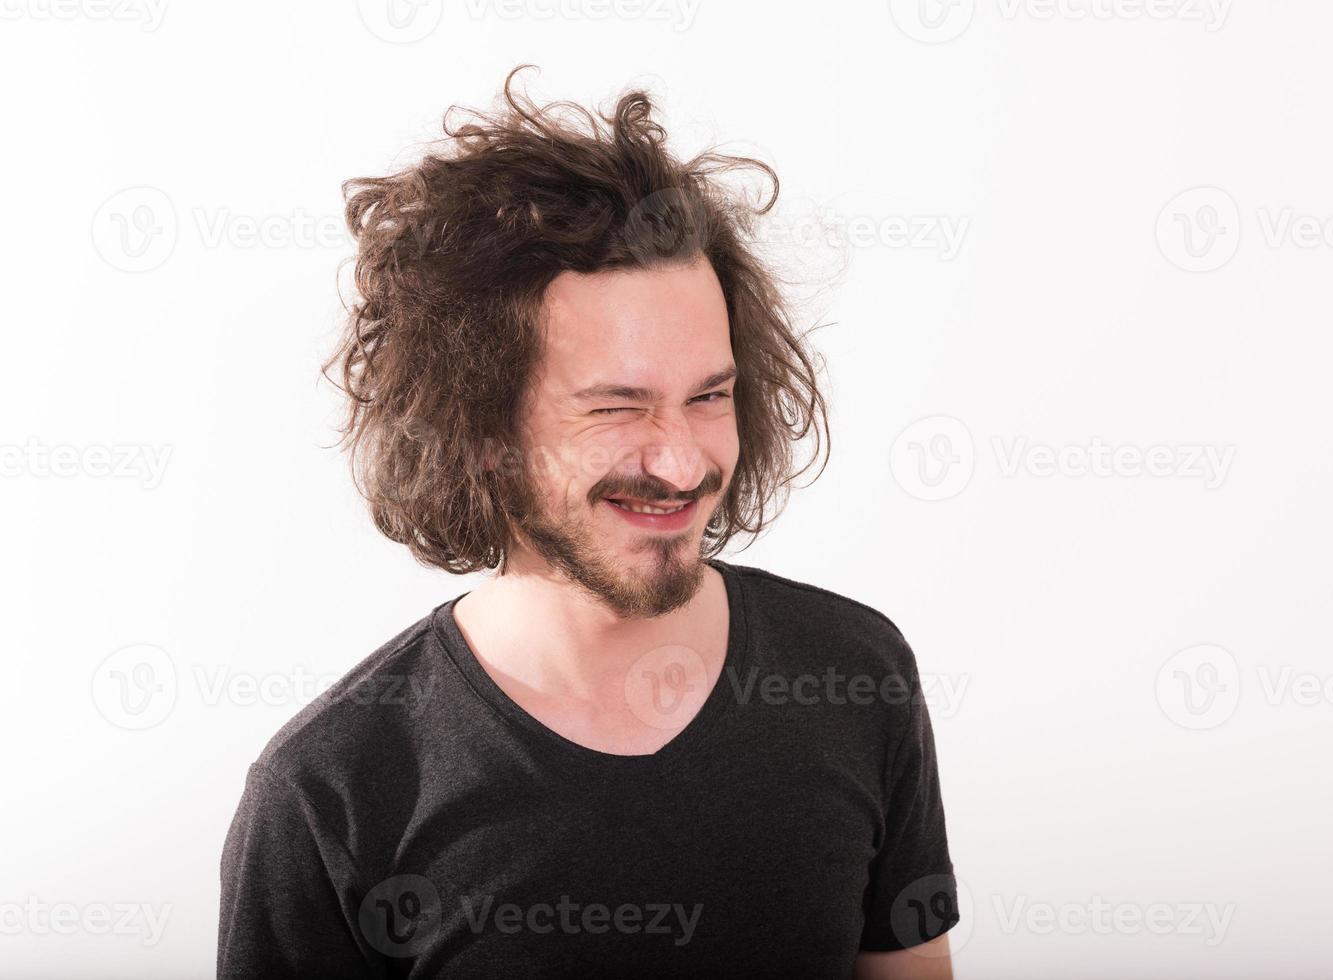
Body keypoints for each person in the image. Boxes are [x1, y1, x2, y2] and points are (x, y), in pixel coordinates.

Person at [217, 64, 959, 979]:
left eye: (709, 395)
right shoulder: (330, 791)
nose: (682, 461)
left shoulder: (855, 673)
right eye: (615, 408)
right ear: (479, 429)